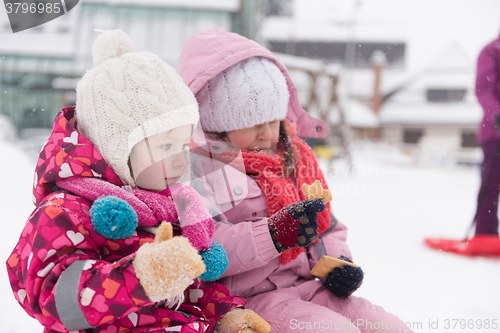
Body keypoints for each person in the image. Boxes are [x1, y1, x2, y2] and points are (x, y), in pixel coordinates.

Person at [6, 29, 271, 333]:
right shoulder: (65, 212)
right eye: (166, 146)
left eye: (184, 146)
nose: (179, 160)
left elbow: (188, 286)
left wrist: (225, 314)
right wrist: (141, 276)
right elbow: (56, 301)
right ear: (117, 149)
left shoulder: (170, 208)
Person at [179, 28, 413, 333]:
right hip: (249, 299)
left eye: (273, 120)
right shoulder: (198, 170)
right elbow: (204, 247)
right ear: (217, 125)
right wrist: (273, 235)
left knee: (387, 327)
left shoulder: (294, 160)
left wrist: (338, 263)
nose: (266, 133)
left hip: (308, 285)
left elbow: (326, 225)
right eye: (251, 124)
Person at [425, 34, 500, 256]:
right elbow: (483, 89)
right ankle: (486, 235)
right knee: (491, 185)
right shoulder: (492, 51)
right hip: (495, 133)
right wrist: (496, 113)